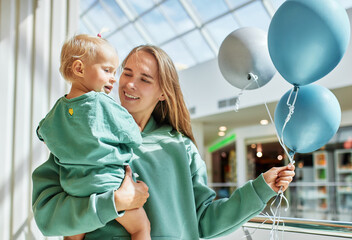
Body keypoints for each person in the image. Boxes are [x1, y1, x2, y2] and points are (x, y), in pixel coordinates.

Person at [32, 44, 295, 239]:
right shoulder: (82, 134)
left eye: (145, 79)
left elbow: (202, 221)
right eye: (127, 73)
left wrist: (260, 189)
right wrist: (114, 203)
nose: (129, 85)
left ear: (162, 93)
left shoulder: (180, 147)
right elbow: (47, 214)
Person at [35, 34, 150, 240]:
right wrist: (137, 131)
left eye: (115, 72)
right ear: (79, 69)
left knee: (71, 236)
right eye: (107, 70)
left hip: (74, 189)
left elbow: (42, 133)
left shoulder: (57, 110)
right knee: (141, 228)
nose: (113, 78)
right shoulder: (103, 102)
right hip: (109, 184)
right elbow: (133, 136)